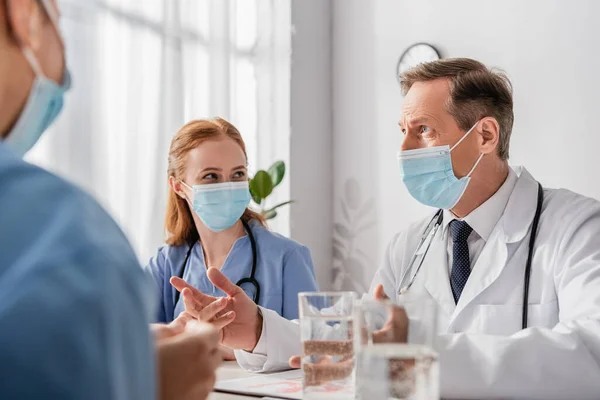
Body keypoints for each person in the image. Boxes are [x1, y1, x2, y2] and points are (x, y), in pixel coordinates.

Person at [173, 58, 600, 399]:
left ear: (485, 135)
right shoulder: (411, 245)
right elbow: (360, 338)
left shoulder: (576, 227)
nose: (403, 149)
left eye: (423, 130)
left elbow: (591, 353)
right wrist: (259, 330)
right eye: (402, 131)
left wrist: (419, 351)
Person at [0, 1, 220, 398]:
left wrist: (122, 357)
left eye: (237, 174)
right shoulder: (66, 242)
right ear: (24, 16)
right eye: (59, 21)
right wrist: (150, 386)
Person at [145, 118, 318, 331]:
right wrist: (176, 332)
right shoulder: (166, 264)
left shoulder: (288, 258)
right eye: (211, 176)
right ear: (178, 186)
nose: (227, 186)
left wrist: (244, 343)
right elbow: (131, 340)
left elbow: (320, 346)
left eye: (238, 174)